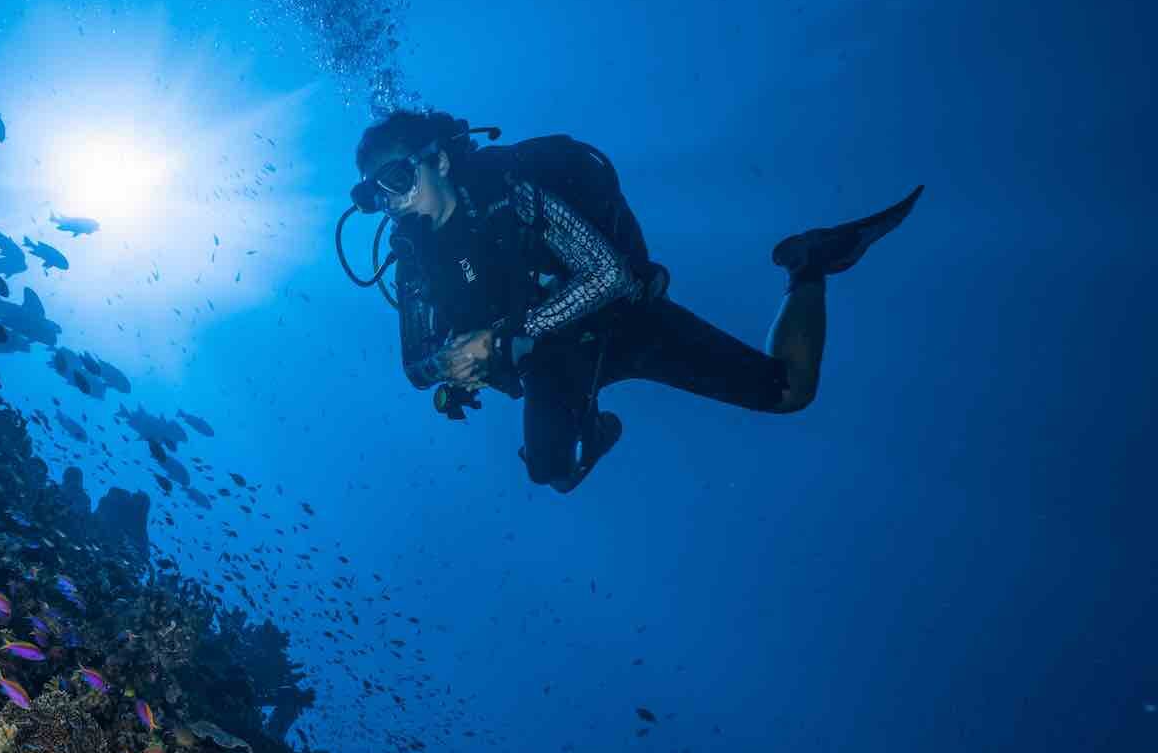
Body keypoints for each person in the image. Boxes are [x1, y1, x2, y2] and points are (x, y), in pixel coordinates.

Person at [345, 110, 919, 493]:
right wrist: (449, 367)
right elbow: (415, 367)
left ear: (439, 161)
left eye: (399, 178)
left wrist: (497, 339)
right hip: (550, 363)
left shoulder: (509, 194)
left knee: (792, 392)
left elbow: (608, 274)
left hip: (625, 321)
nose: (392, 203)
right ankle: (592, 430)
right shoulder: (412, 256)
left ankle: (809, 264)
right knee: (550, 473)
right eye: (376, 193)